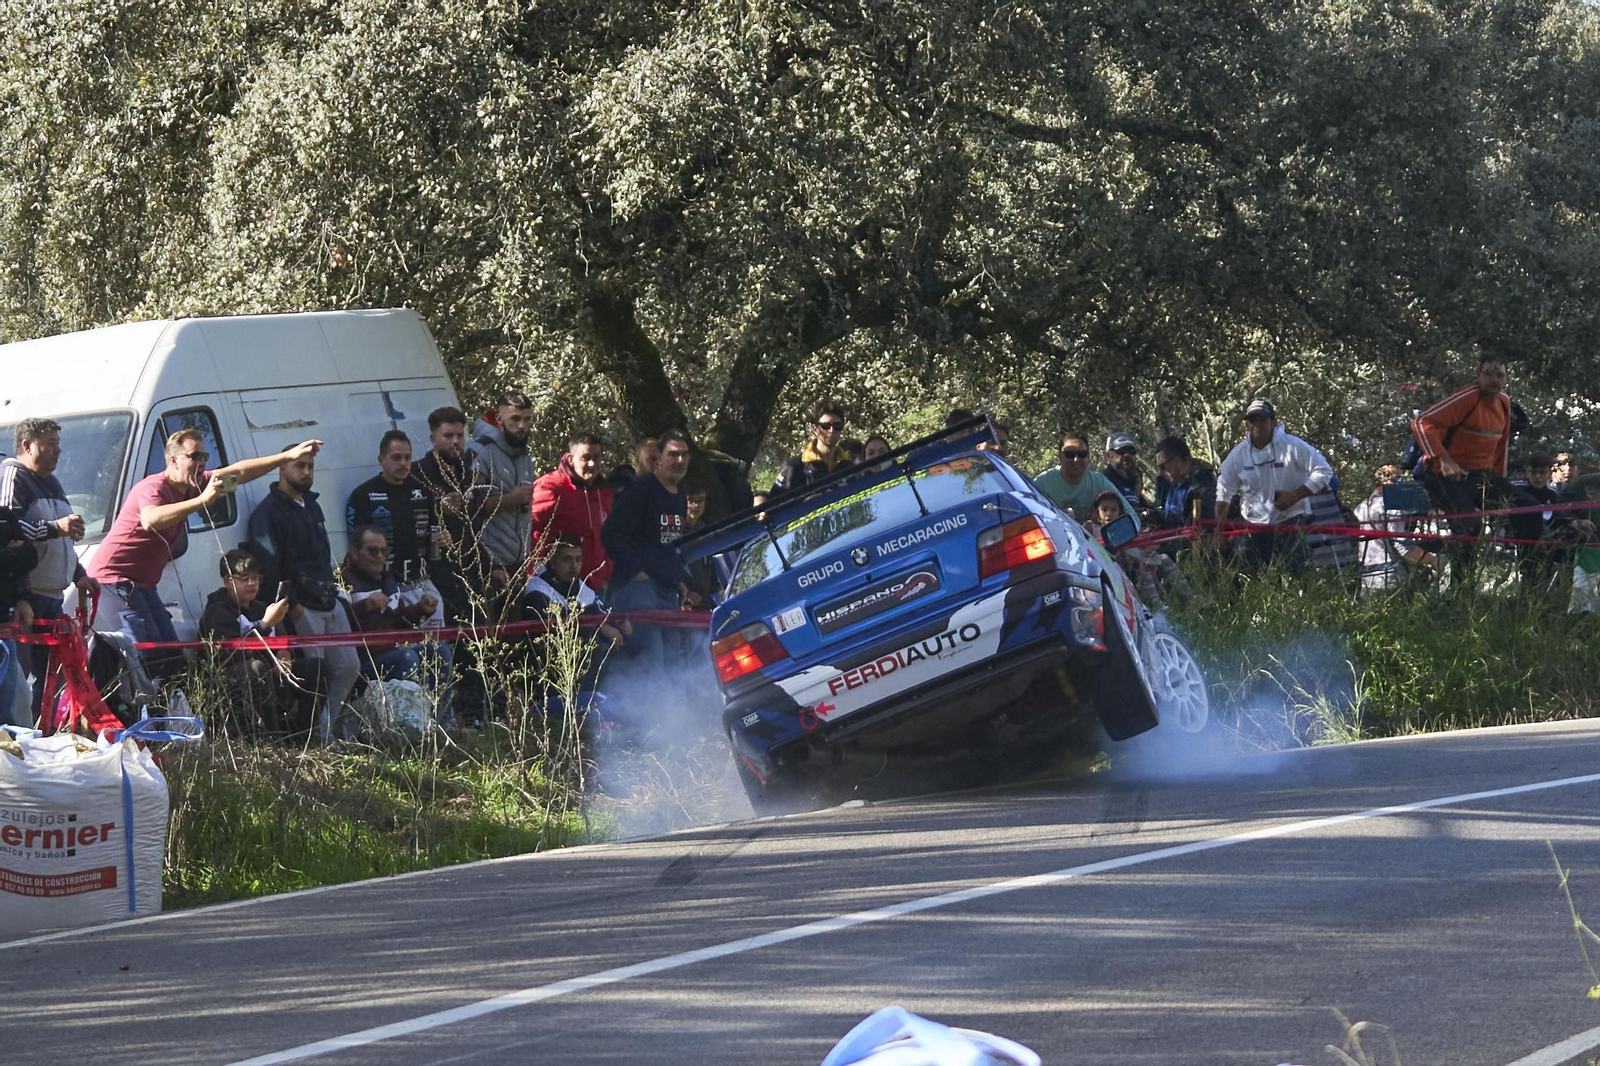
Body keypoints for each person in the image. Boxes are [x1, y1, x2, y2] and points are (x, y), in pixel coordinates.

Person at [90, 431, 321, 690]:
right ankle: (138, 721)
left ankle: (172, 721)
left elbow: (239, 472)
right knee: (146, 658)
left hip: (143, 586)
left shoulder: (196, 483)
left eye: (204, 456)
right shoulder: (153, 487)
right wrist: (201, 500)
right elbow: (151, 518)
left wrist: (286, 457)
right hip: (114, 581)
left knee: (173, 657)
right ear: (173, 460)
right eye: (194, 456)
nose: (201, 463)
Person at [244, 445, 360, 740]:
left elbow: (322, 554)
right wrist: (292, 606)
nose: (306, 472)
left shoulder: (312, 504)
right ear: (282, 468)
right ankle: (311, 738)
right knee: (314, 676)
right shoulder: (267, 513)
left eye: (310, 466)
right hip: (301, 607)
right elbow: (269, 569)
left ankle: (327, 730)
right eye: (299, 466)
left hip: (329, 600)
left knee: (349, 666)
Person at [1411, 357, 1543, 574]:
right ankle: (1461, 590)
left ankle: (1531, 585)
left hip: (1480, 476)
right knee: (1469, 526)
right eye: (1488, 373)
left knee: (1530, 510)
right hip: (1443, 476)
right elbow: (1420, 422)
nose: (1494, 379)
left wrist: (1500, 484)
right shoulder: (1467, 398)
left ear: (1506, 379)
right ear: (1478, 376)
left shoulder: (1504, 403)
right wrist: (1443, 459)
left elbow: (1501, 448)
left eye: (1499, 375)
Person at [0, 418, 95, 716]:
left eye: (58, 443)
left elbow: (61, 540)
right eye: (50, 444)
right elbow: (11, 538)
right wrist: (23, 595)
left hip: (53, 598)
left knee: (52, 677)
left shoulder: (52, 481)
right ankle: (23, 743)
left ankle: (47, 738)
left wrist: (79, 574)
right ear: (28, 446)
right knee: (21, 683)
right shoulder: (13, 477)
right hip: (28, 600)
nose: (58, 451)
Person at [197, 549, 320, 738]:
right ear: (228, 581)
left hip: (270, 669)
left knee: (316, 667)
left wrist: (285, 653)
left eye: (255, 578)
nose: (252, 583)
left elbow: (283, 638)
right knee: (256, 668)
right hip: (232, 676)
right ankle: (269, 740)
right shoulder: (217, 612)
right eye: (245, 578)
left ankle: (305, 734)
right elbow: (227, 654)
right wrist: (265, 624)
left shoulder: (261, 607)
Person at [601, 429, 692, 674]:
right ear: (658, 458)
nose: (679, 461)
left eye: (684, 454)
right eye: (673, 454)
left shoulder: (680, 493)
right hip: (639, 591)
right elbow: (610, 534)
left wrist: (680, 579)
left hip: (668, 591)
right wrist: (637, 573)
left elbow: (670, 543)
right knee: (653, 665)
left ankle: (675, 713)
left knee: (674, 665)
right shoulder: (641, 490)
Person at [1215, 400, 1335, 571]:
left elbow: (1324, 471)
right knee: (1246, 580)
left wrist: (1295, 496)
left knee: (1294, 579)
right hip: (1251, 526)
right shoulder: (1238, 455)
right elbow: (1224, 490)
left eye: (1262, 419)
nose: (1257, 424)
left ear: (1273, 421)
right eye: (1252, 420)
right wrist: (1219, 529)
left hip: (1291, 523)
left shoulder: (1293, 446)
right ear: (1247, 424)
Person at [338, 525, 452, 694]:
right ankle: (404, 717)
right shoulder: (342, 581)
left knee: (439, 649)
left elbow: (399, 622)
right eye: (373, 551)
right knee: (407, 657)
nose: (380, 557)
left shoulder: (387, 580)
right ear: (354, 552)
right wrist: (365, 606)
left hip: (391, 653)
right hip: (362, 664)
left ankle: (442, 717)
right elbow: (338, 626)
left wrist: (421, 609)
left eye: (384, 551)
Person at [347, 430, 442, 623]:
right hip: (385, 586)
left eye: (407, 458)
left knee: (439, 643)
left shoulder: (423, 492)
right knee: (404, 645)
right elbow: (356, 545)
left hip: (422, 581)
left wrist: (443, 540)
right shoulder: (363, 495)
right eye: (396, 458)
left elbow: (435, 531)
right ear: (381, 459)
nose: (403, 463)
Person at [412, 406, 495, 622]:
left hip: (469, 574)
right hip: (434, 577)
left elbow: (476, 529)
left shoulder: (468, 476)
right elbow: (407, 519)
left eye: (460, 435)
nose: (455, 442)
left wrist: (491, 568)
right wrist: (439, 509)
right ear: (433, 438)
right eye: (448, 436)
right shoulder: (418, 474)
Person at [530, 433, 614, 590]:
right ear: (570, 459)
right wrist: (539, 574)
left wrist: (606, 575)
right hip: (558, 587)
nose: (592, 464)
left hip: (596, 587)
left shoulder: (603, 492)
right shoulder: (552, 487)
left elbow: (608, 536)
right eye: (586, 458)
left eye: (596, 457)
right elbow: (526, 528)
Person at [472, 392, 537, 583]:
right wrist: (509, 500)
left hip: (519, 564)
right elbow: (467, 508)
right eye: (515, 419)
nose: (522, 426)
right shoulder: (480, 453)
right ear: (499, 419)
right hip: (488, 566)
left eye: (527, 419)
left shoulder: (524, 456)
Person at [1087, 490, 1188, 606]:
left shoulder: (1125, 528)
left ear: (1120, 512)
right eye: (1104, 509)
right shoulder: (1091, 529)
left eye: (1113, 510)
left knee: (1163, 558)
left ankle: (1191, 601)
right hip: (1113, 570)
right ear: (1097, 512)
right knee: (1142, 568)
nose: (1108, 514)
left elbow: (1138, 547)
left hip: (1135, 561)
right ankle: (1157, 607)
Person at [1034, 433, 1138, 529]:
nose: (1076, 459)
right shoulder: (1042, 483)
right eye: (1069, 454)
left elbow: (1132, 517)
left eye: (1082, 454)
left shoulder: (1099, 482)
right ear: (1060, 456)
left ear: (1088, 457)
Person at [769, 400, 846, 498]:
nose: (831, 431)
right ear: (815, 429)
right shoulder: (795, 467)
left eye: (837, 426)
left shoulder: (847, 466)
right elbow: (773, 508)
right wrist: (804, 505)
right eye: (825, 426)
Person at [1152, 436, 1217, 529]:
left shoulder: (1205, 482)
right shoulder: (1164, 486)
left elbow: (1208, 521)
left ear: (1182, 461)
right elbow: (1158, 513)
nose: (1162, 472)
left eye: (1164, 466)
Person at [1103, 432, 1152, 518]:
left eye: (1132, 451)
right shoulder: (1103, 481)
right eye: (1121, 451)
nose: (1127, 455)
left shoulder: (1134, 479)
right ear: (1109, 456)